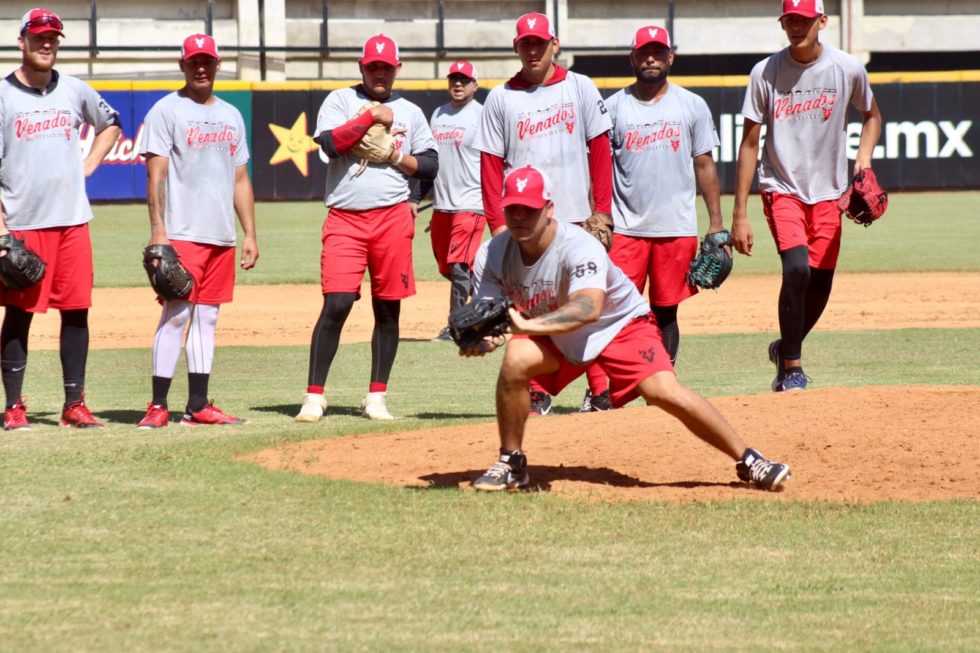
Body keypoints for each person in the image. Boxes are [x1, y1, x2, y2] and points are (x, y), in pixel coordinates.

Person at [463, 165, 791, 492]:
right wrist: (483, 341)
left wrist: (528, 324)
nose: (519, 216)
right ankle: (511, 462)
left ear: (549, 209)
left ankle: (749, 460)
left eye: (529, 208)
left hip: (618, 324)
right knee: (516, 357)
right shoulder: (492, 253)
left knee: (662, 391)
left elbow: (588, 307)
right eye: (512, 208)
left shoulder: (577, 246)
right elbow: (491, 316)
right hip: (555, 333)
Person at [732, 0, 882, 391]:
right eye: (790, 20)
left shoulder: (847, 67)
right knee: (797, 269)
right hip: (782, 187)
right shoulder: (765, 72)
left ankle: (785, 346)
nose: (796, 27)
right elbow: (749, 144)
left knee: (821, 284)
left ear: (822, 21)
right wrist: (739, 214)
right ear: (783, 23)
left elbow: (872, 116)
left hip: (831, 193)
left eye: (804, 20)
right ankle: (792, 369)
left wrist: (863, 163)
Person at [474, 12, 614, 415]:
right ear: (517, 49)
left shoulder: (580, 87)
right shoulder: (501, 97)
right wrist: (497, 223)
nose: (532, 50)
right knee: (532, 306)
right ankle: (536, 389)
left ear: (555, 45)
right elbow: (489, 163)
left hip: (576, 218)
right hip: (526, 220)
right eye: (525, 44)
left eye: (539, 43)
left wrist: (601, 211)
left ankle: (599, 388)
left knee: (587, 306)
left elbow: (600, 150)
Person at [296, 33, 438, 422]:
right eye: (373, 66)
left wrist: (395, 155)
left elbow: (429, 166)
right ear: (362, 67)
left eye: (386, 67)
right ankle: (314, 396)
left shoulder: (410, 111)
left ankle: (376, 396)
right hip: (345, 218)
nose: (379, 72)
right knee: (336, 303)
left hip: (392, 217)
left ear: (397, 69)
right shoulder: (341, 100)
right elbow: (328, 143)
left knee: (388, 309)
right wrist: (370, 118)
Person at [0, 8, 122, 430]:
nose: (47, 42)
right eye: (38, 36)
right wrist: (1, 231)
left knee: (76, 311)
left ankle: (74, 404)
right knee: (19, 313)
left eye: (53, 36)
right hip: (23, 224)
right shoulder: (2, 96)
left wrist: (88, 163)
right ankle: (14, 406)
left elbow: (111, 123)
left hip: (72, 221)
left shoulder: (73, 88)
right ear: (22, 41)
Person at [136, 34, 258, 428]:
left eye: (207, 61)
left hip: (221, 235)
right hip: (183, 232)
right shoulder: (166, 110)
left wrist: (250, 234)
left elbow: (240, 178)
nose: (201, 68)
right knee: (176, 314)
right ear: (183, 65)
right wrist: (159, 231)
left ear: (217, 65)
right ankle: (157, 405)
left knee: (207, 319)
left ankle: (198, 405)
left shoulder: (231, 115)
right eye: (194, 62)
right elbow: (155, 174)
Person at [606, 25, 724, 367]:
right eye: (643, 53)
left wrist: (716, 223)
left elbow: (704, 164)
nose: (651, 59)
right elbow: (598, 169)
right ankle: (611, 387)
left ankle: (662, 382)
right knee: (618, 312)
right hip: (625, 229)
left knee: (666, 313)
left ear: (671, 57)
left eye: (658, 52)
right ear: (632, 58)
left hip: (676, 227)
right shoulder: (613, 107)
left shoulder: (692, 104)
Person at [414, 61, 485, 342]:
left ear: (475, 85)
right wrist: (415, 198)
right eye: (453, 79)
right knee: (448, 268)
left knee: (458, 267)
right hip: (442, 205)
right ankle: (489, 292)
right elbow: (430, 162)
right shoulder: (438, 114)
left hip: (471, 203)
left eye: (464, 80)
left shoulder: (483, 115)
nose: (458, 84)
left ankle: (458, 327)